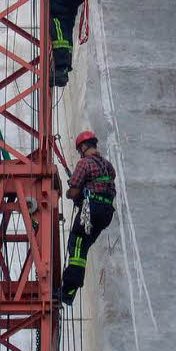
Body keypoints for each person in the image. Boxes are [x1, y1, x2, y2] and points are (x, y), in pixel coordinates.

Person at [58, 130, 115, 306]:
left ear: (83, 147)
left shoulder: (84, 164)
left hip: (93, 209)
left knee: (76, 245)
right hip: (106, 213)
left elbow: (74, 191)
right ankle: (69, 291)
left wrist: (70, 192)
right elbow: (107, 180)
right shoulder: (107, 165)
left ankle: (67, 289)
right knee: (82, 249)